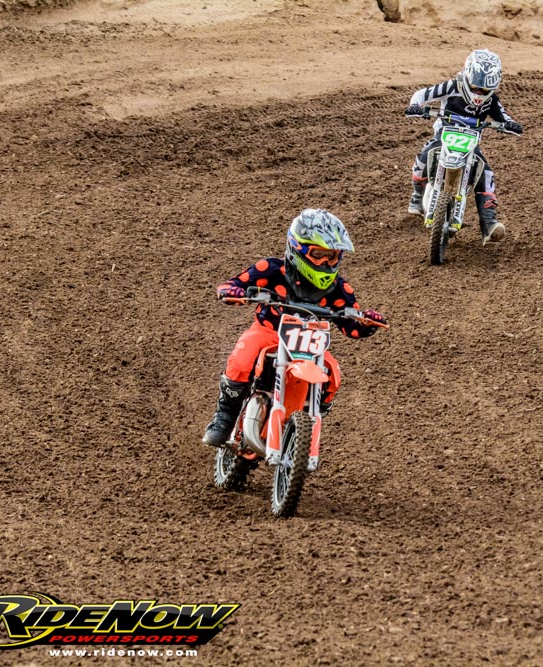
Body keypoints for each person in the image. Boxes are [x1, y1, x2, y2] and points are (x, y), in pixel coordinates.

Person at [202, 209, 387, 447]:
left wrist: (366, 323)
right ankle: (224, 418)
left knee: (333, 375)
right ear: (298, 248)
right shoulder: (271, 269)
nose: (326, 263)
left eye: (332, 257)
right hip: (268, 332)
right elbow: (232, 284)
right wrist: (233, 292)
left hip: (311, 343)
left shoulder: (339, 288)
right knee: (242, 357)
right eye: (319, 255)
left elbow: (350, 326)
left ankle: (306, 421)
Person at [404, 49, 523, 244]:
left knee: (486, 173)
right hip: (444, 135)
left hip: (471, 143)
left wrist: (511, 124)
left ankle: (489, 224)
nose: (479, 93)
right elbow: (422, 94)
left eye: (484, 90)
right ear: (468, 76)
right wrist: (416, 105)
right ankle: (418, 195)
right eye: (476, 87)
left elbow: (504, 116)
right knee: (424, 156)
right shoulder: (452, 87)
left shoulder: (491, 100)